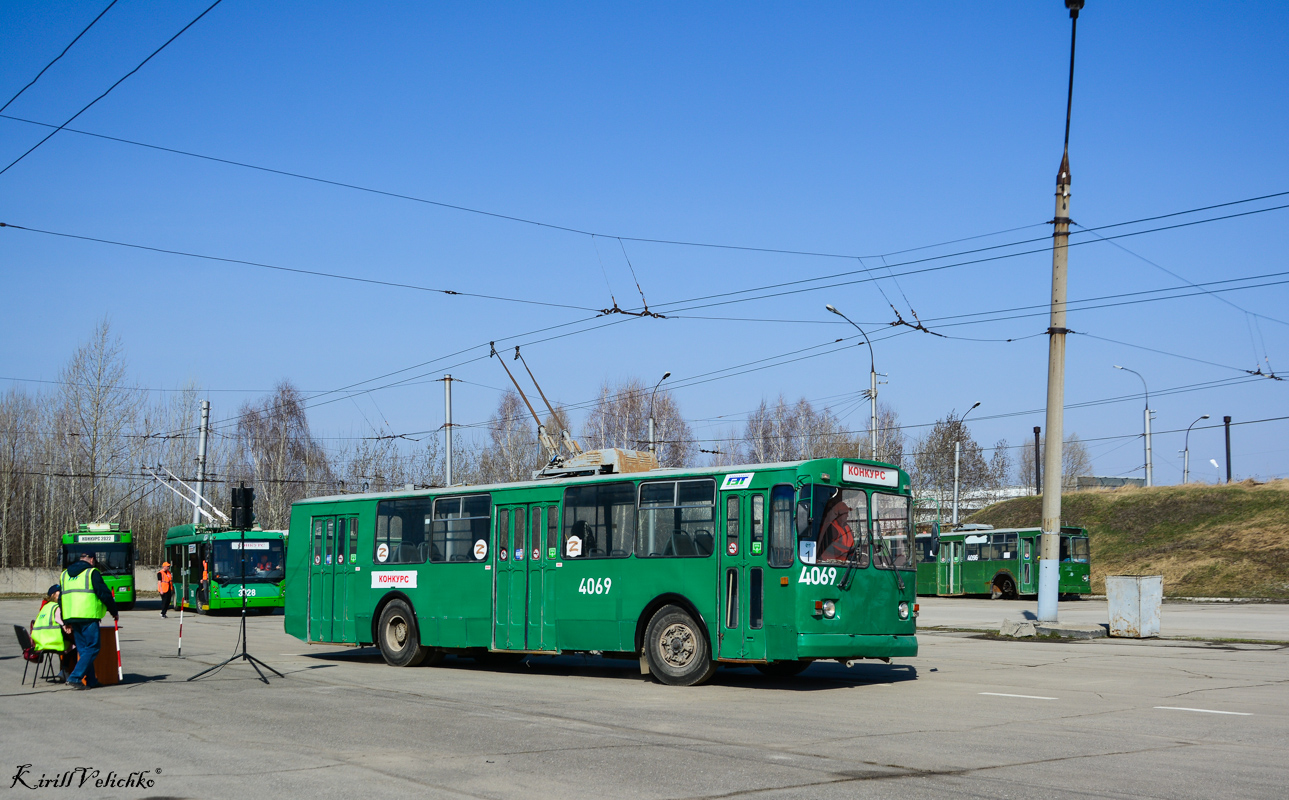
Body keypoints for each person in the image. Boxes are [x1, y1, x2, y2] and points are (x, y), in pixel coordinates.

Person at [60, 551, 119, 689]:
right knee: (93, 647)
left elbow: (61, 598)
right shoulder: (92, 573)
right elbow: (104, 593)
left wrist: (65, 620)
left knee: (84, 649)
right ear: (92, 559)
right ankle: (75, 677)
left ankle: (91, 680)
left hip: (72, 616)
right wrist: (114, 611)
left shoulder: (64, 575)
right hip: (88, 615)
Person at [31, 584, 75, 683]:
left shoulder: (45, 607)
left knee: (70, 644)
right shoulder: (56, 607)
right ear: (54, 594)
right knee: (75, 646)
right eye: (60, 592)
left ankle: (66, 671)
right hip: (52, 641)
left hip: (39, 642)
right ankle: (70, 673)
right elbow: (63, 623)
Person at [817, 495, 856, 563]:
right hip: (827, 564)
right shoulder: (830, 528)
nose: (848, 515)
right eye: (845, 513)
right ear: (838, 515)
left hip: (844, 564)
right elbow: (832, 549)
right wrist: (849, 550)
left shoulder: (848, 528)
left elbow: (852, 545)